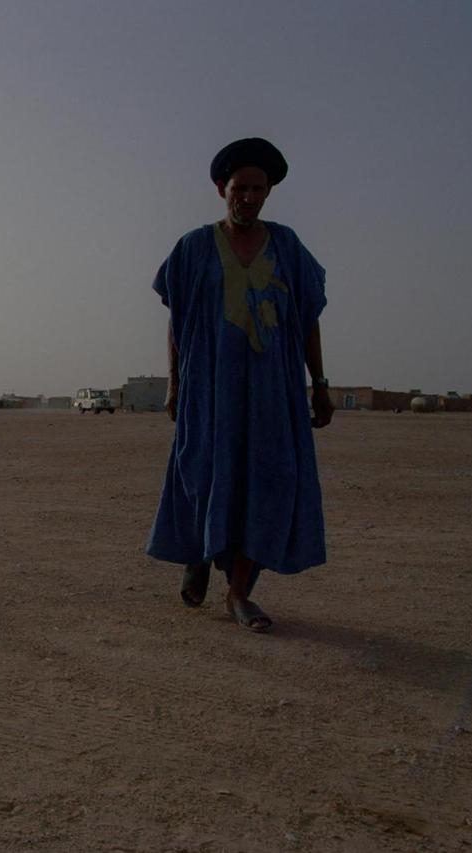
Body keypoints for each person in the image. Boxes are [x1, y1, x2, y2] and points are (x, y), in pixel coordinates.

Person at [146, 138, 334, 633]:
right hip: (210, 389)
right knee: (204, 473)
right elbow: (176, 320)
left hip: (274, 392)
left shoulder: (288, 247)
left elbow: (308, 318)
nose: (248, 197)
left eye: (258, 188)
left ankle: (238, 593)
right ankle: (198, 554)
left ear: (268, 192)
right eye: (239, 188)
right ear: (220, 189)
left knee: (270, 482)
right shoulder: (192, 248)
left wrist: (320, 382)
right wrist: (174, 383)